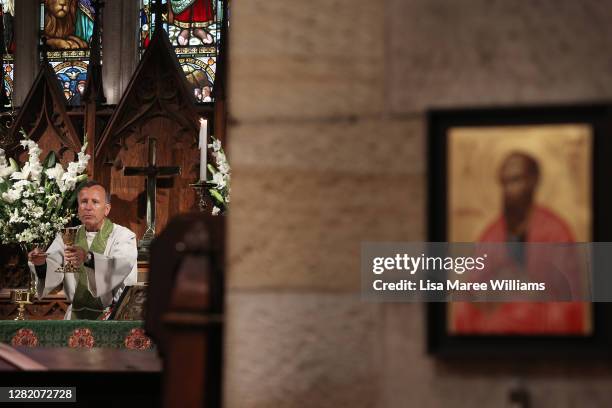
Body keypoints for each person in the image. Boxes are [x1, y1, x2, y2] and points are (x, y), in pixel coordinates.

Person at [452, 151, 587, 334]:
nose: (509, 190)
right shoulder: (492, 235)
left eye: (516, 180)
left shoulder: (556, 233)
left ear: (533, 181)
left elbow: (571, 298)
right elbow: (470, 293)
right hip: (497, 327)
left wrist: (533, 294)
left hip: (542, 325)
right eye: (505, 182)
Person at [28, 181, 137, 320]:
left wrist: (89, 258)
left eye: (95, 202)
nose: (88, 207)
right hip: (75, 316)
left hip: (110, 317)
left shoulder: (123, 236)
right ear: (78, 208)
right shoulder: (66, 236)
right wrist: (41, 263)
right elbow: (53, 266)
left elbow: (120, 266)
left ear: (107, 209)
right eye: (84, 202)